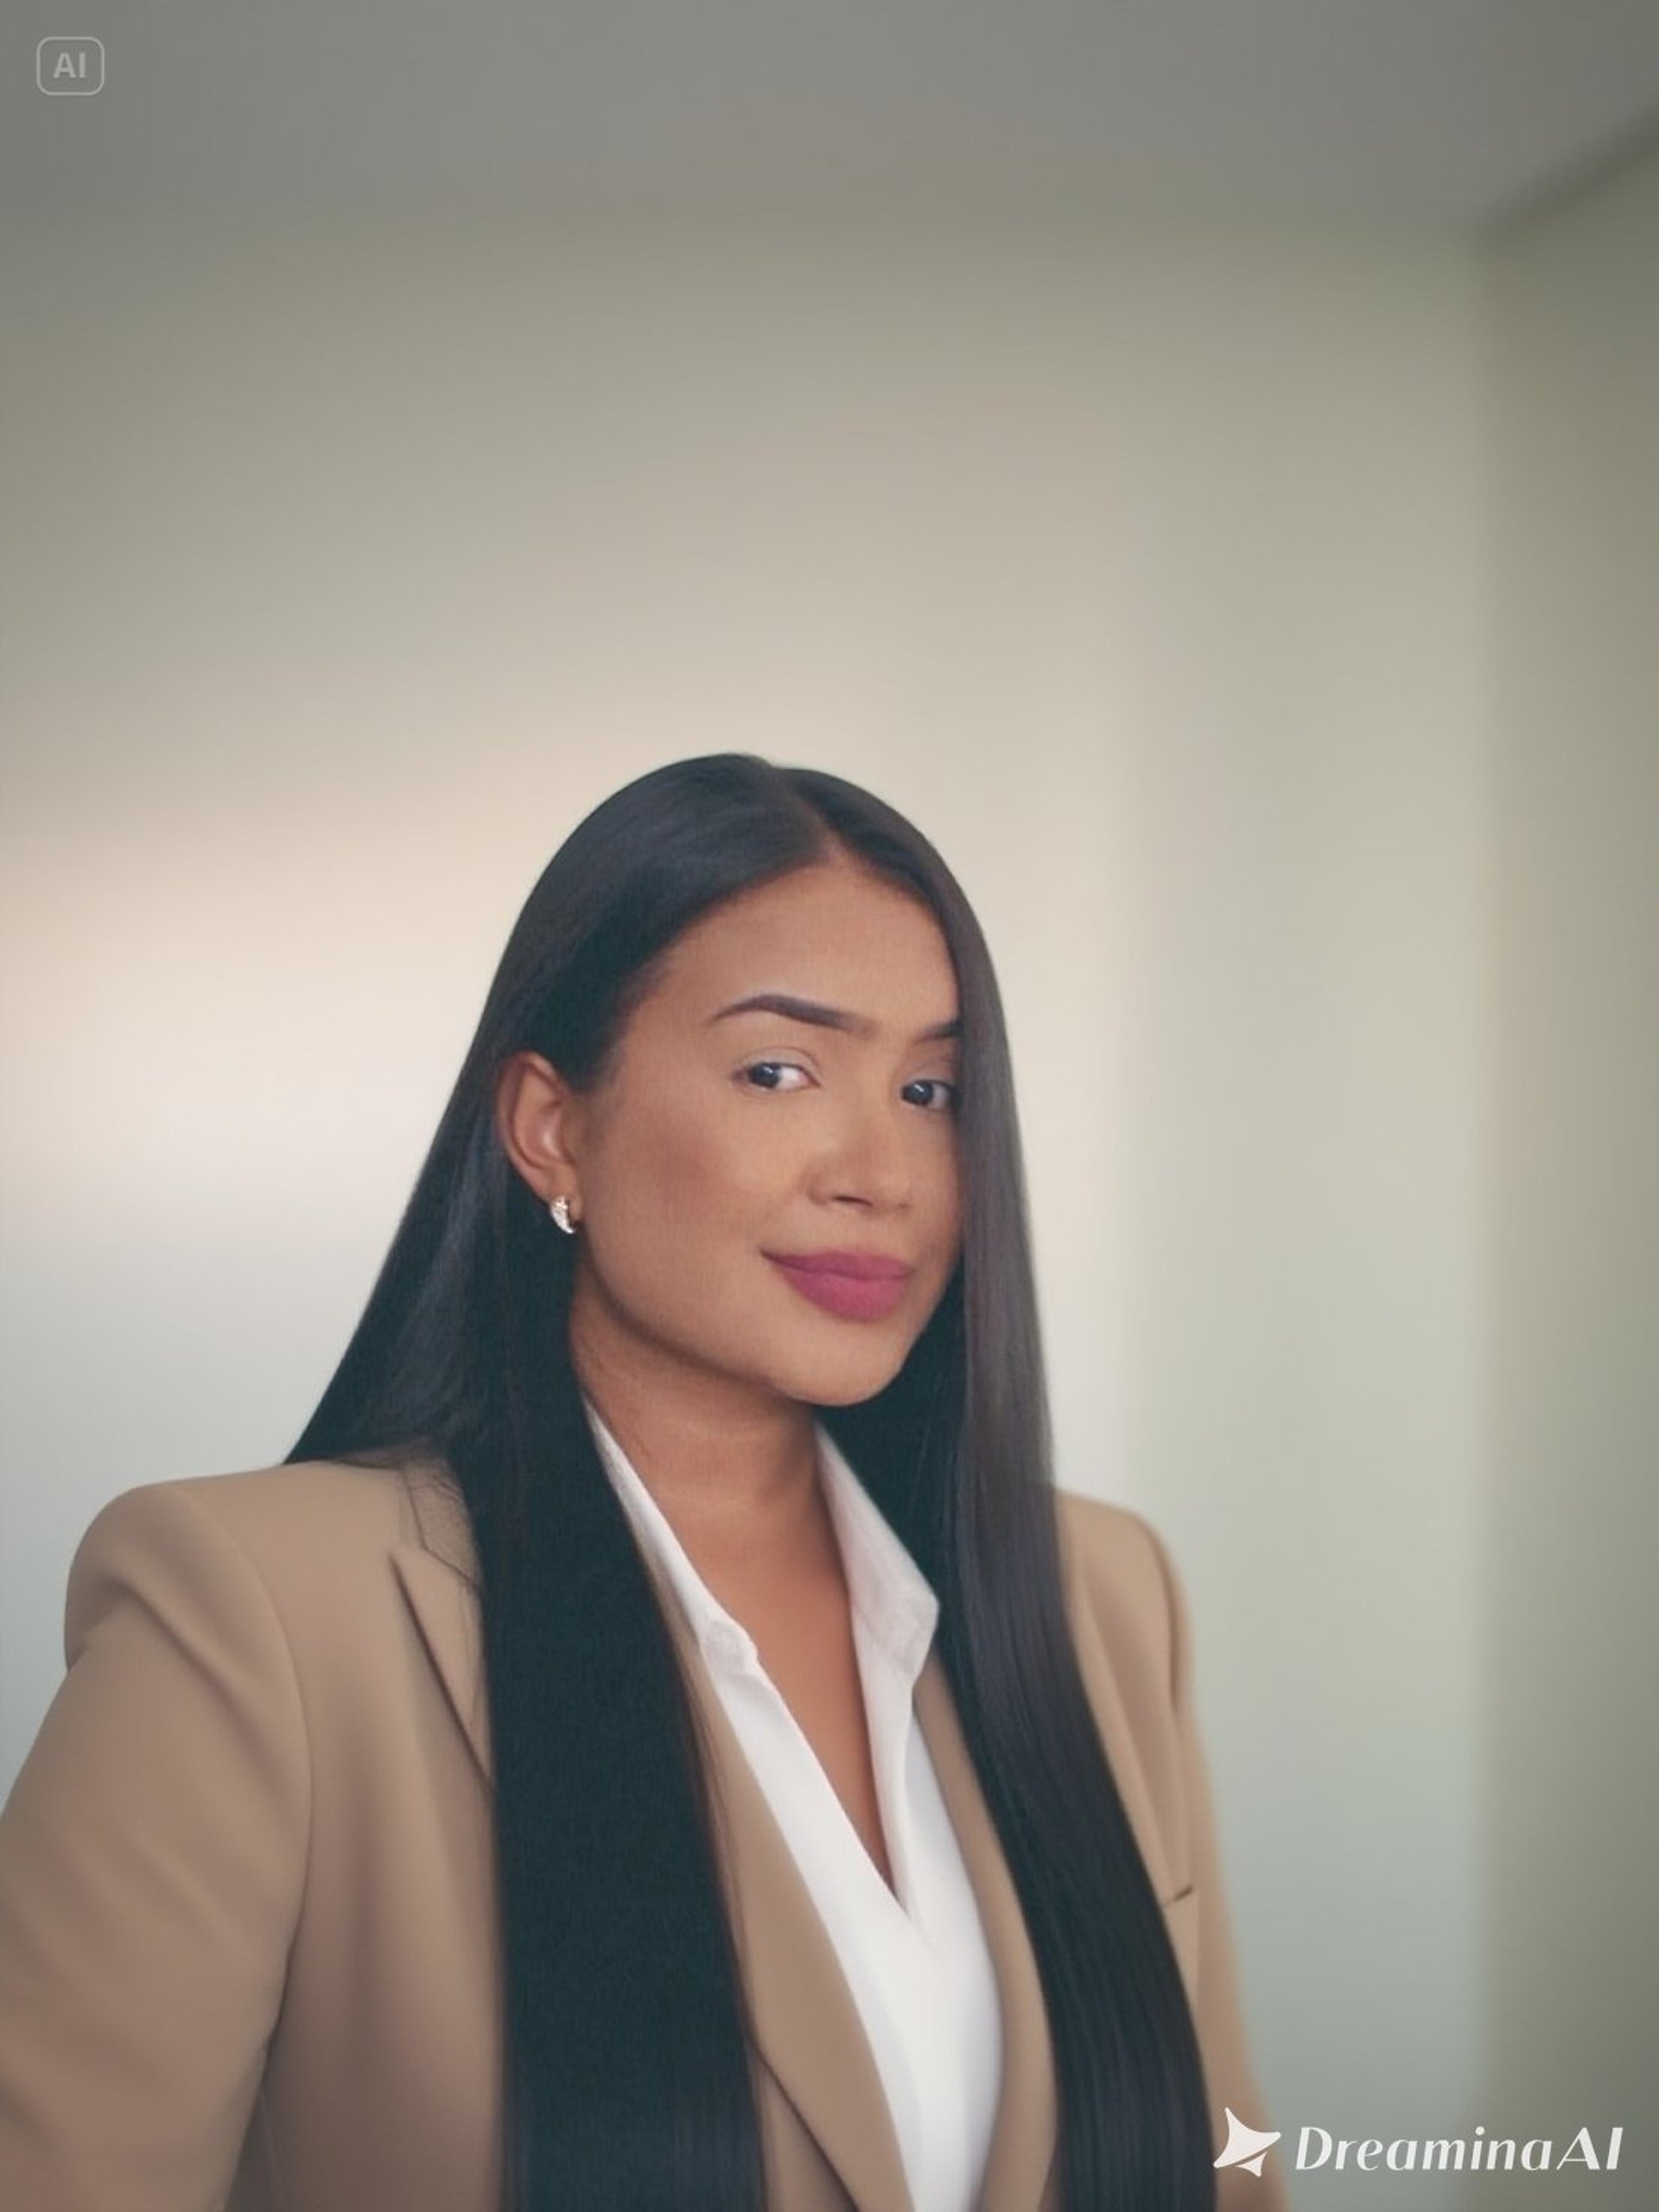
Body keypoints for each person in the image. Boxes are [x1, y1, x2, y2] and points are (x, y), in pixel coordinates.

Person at [0, 754, 1286, 2212]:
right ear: (555, 1125)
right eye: (779, 1070)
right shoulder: (259, 1623)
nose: (886, 1170)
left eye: (932, 1087)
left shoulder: (1101, 1599)